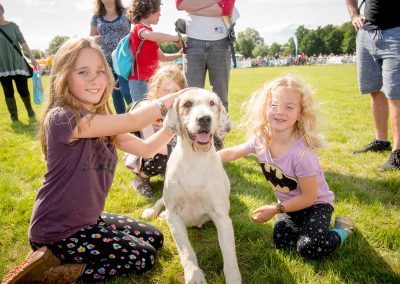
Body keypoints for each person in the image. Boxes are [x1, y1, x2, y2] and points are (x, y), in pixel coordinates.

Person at [2, 37, 181, 283]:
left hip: (88, 222)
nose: (95, 79)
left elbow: (147, 149)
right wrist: (175, 98)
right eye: (83, 72)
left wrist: (174, 125)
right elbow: (134, 120)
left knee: (154, 237)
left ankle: (63, 258)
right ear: (64, 78)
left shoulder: (100, 121)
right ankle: (53, 272)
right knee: (144, 257)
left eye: (100, 71)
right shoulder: (62, 118)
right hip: (57, 231)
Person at [218, 75, 355, 260]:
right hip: (290, 207)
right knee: (282, 242)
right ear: (265, 108)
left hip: (316, 205)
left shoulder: (302, 154)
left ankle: (342, 229)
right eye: (273, 105)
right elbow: (233, 152)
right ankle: (307, 228)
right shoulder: (261, 139)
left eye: (289, 107)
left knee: (310, 247)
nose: (279, 111)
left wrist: (275, 209)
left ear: (300, 113)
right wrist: (205, 159)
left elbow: (308, 197)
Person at [345, 0, 400, 171]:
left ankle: (398, 152)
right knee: (375, 91)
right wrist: (354, 14)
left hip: (395, 32)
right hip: (366, 33)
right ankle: (381, 141)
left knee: (395, 94)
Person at [176, 0, 237, 149]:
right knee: (190, 97)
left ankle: (216, 141)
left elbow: (226, 8)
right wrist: (215, 5)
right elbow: (181, 4)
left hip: (221, 43)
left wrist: (195, 8)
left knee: (221, 97)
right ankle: (190, 139)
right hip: (193, 43)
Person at [124, 64, 187, 198]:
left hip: (173, 151)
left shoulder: (182, 111)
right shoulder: (148, 111)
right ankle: (141, 178)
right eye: (166, 90)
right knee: (162, 159)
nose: (171, 95)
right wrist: (179, 155)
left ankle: (170, 174)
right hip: (148, 154)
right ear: (157, 90)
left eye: (176, 90)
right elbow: (150, 146)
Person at [126, 0, 183, 103]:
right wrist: (176, 38)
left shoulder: (149, 35)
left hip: (151, 80)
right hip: (140, 80)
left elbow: (162, 57)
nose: (160, 14)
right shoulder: (139, 28)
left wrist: (179, 54)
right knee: (143, 112)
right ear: (150, 10)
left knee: (153, 111)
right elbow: (152, 36)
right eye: (158, 11)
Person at [90, 0, 132, 114]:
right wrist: (94, 40)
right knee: (116, 93)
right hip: (105, 61)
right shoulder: (96, 17)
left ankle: (138, 116)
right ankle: (123, 124)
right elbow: (91, 36)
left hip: (124, 59)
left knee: (126, 91)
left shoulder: (126, 12)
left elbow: (138, 27)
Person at [0, 3, 37, 122]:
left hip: (17, 62)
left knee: (23, 89)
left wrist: (32, 57)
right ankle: (14, 116)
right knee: (8, 91)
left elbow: (23, 42)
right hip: (2, 65)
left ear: (2, 10)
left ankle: (30, 111)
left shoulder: (13, 26)